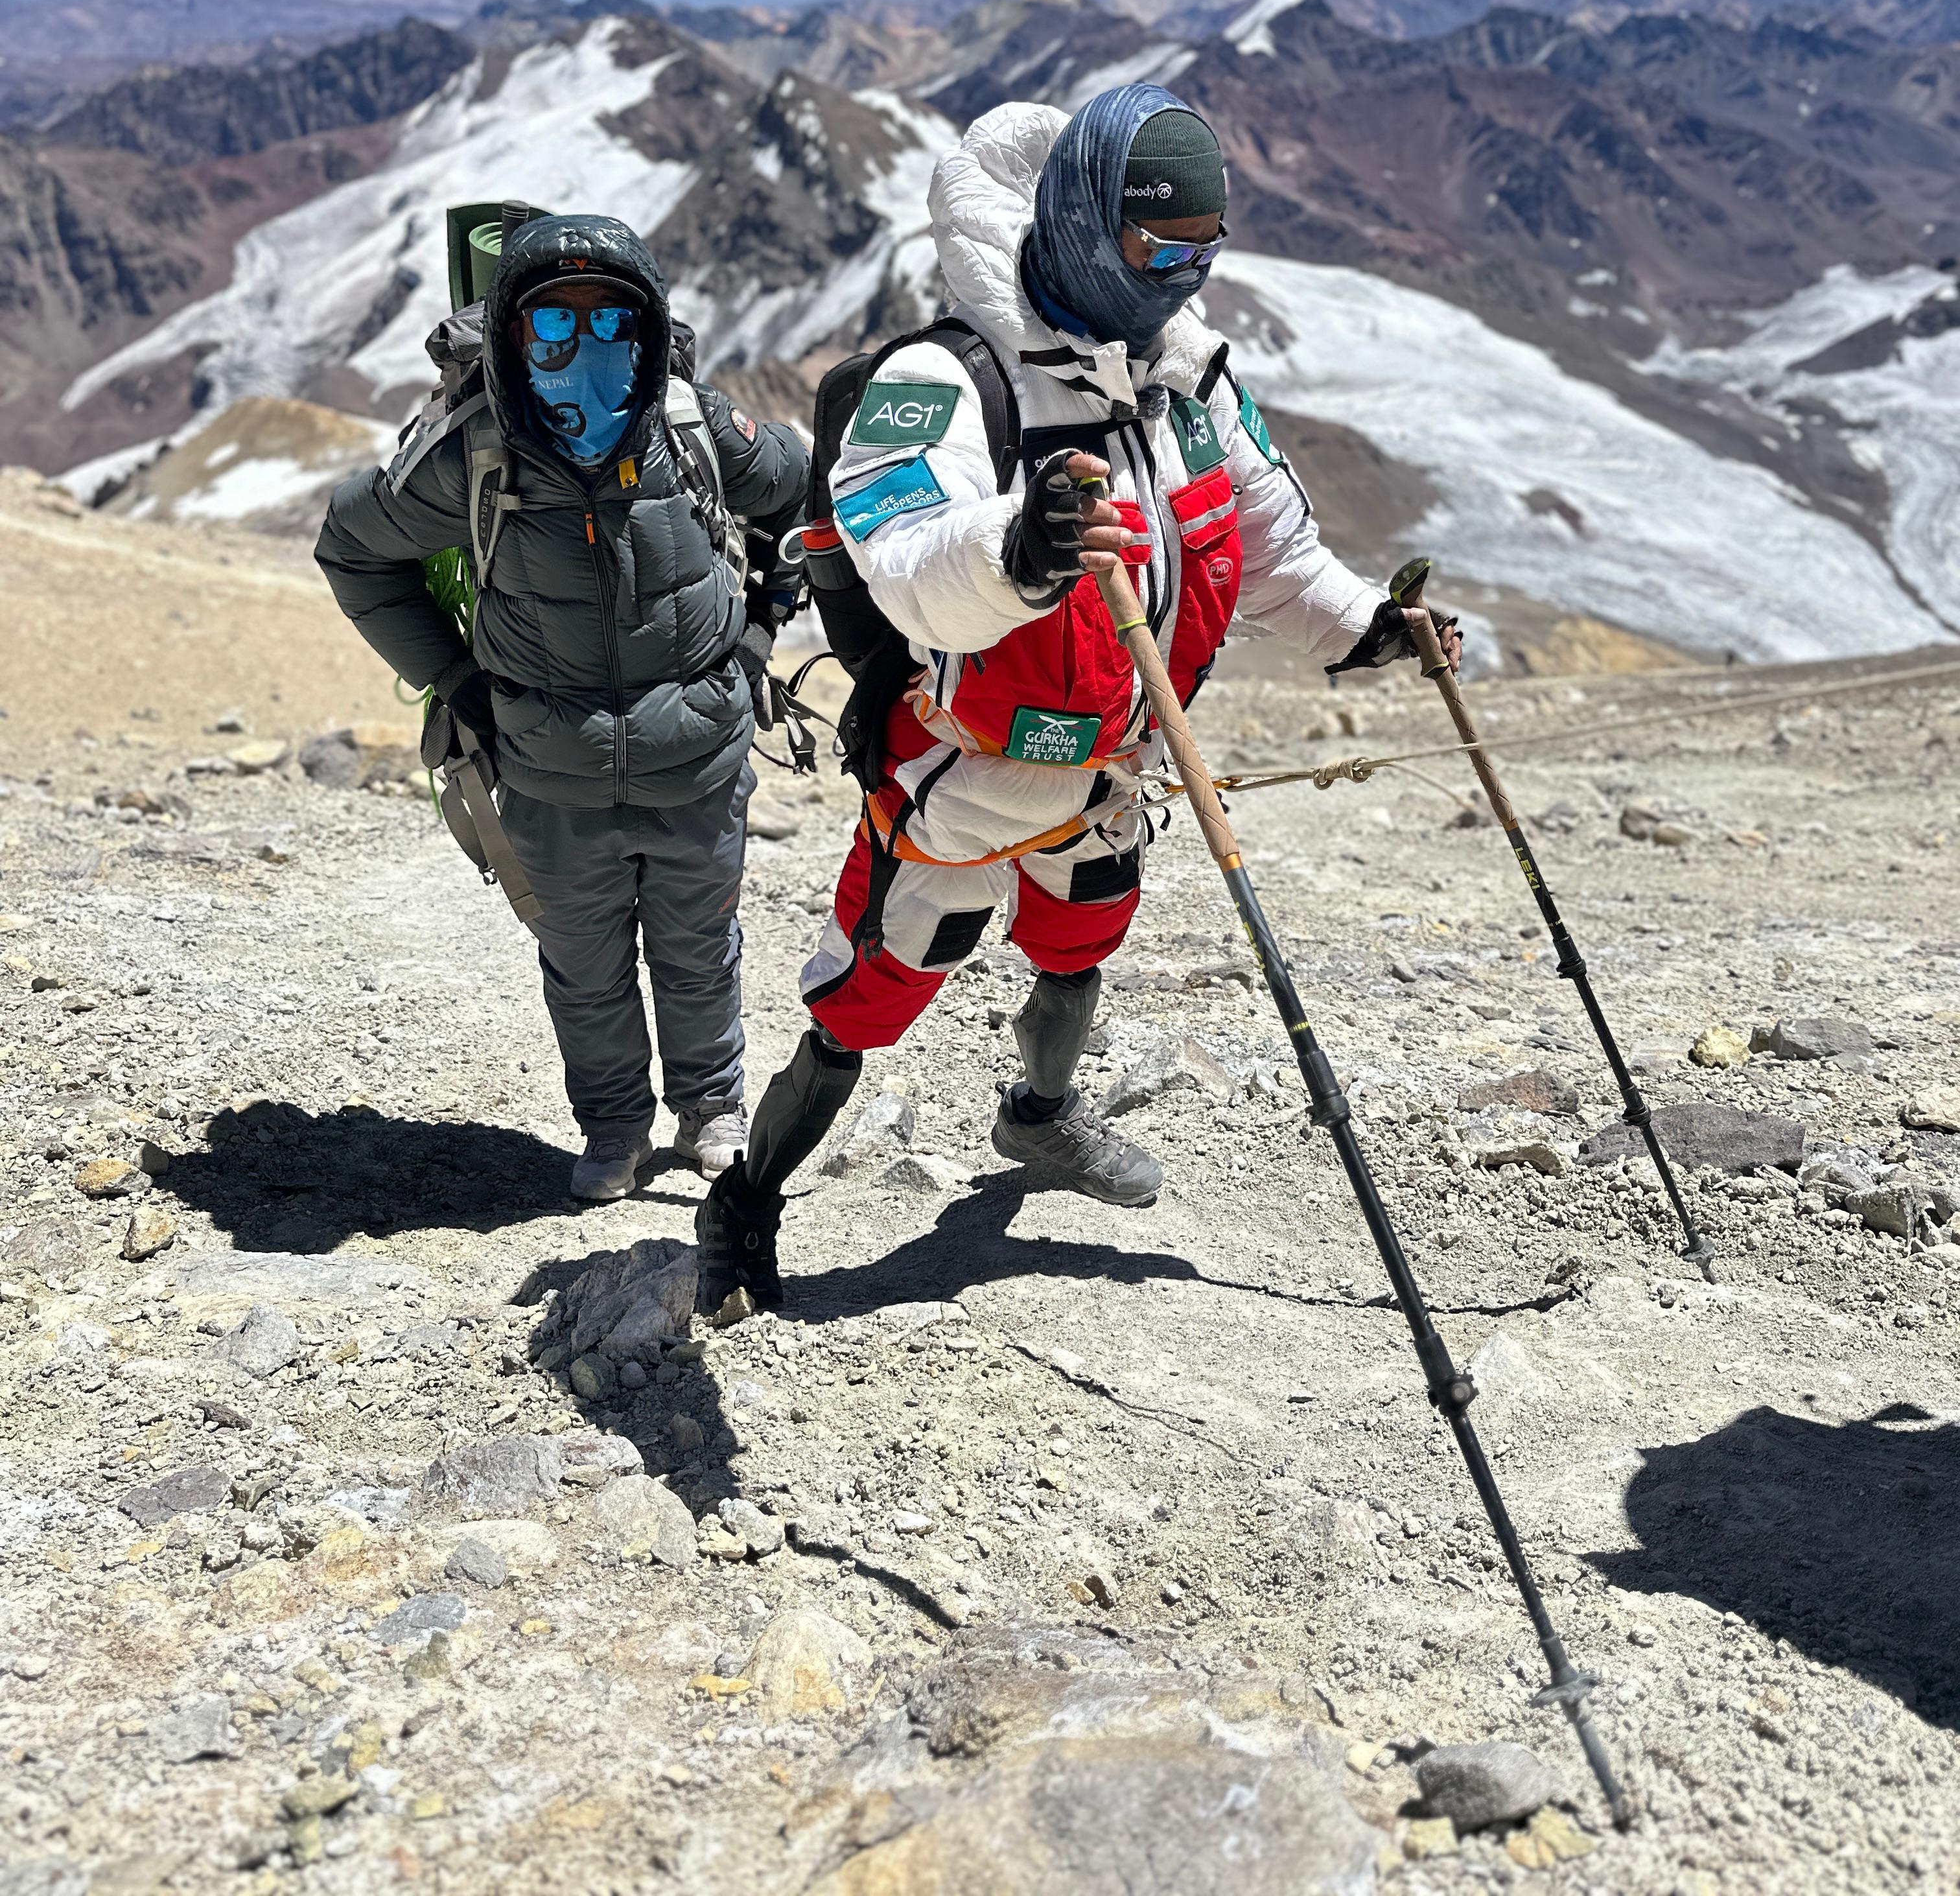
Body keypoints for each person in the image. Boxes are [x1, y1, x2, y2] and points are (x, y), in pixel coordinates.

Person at [695, 84, 1460, 1320]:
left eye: (1206, 251)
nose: (1181, 277)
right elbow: (902, 552)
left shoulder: (1188, 384)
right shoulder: (944, 381)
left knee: (1079, 950)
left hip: (1112, 773)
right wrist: (1021, 547)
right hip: (960, 780)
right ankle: (746, 1200)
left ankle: (1040, 1117)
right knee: (867, 1003)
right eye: (1160, 248)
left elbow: (1263, 540)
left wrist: (1366, 625)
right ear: (1091, 228)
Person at [315, 212, 808, 1201]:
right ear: (509, 339)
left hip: (697, 761)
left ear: (651, 330)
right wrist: (457, 682)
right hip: (548, 773)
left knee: (698, 947)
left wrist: (759, 631)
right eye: (553, 329)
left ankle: (710, 1106)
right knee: (584, 970)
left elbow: (805, 502)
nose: (584, 352)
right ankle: (616, 1127)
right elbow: (353, 547)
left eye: (611, 326)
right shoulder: (474, 456)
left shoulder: (694, 429)